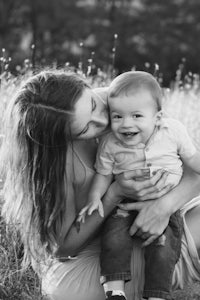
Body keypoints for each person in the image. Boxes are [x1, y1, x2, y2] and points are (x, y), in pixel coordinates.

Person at [0, 70, 200, 300]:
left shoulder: (122, 98)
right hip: (98, 255)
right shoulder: (57, 161)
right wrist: (114, 193)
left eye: (94, 105)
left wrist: (162, 208)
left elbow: (194, 171)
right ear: (62, 138)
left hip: (153, 216)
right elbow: (64, 248)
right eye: (86, 129)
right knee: (69, 291)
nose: (104, 121)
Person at [78, 71, 200, 300]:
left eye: (136, 116)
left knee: (164, 248)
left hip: (164, 202)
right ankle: (115, 290)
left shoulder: (172, 131)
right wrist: (95, 197)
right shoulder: (109, 143)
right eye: (117, 116)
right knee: (113, 239)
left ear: (157, 117)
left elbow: (193, 160)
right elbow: (103, 175)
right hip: (125, 203)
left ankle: (156, 294)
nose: (126, 124)